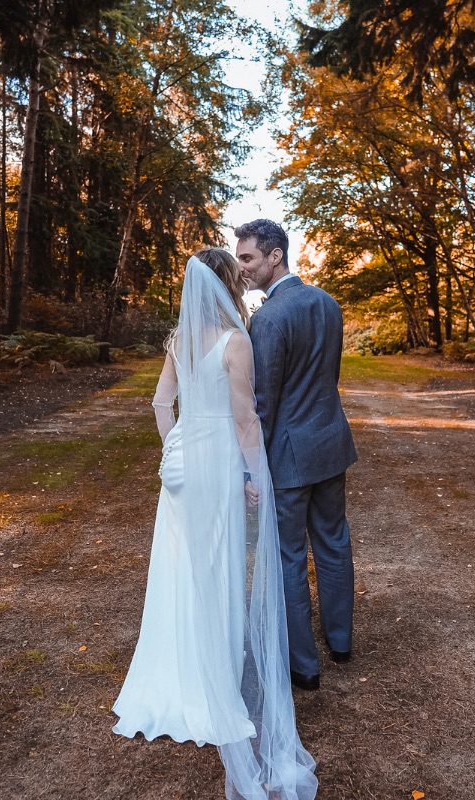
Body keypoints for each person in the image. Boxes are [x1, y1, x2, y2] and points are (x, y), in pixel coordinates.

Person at [112, 248, 317, 800]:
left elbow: (161, 404)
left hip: (180, 465)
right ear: (228, 284)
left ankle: (171, 673)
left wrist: (175, 444)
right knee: (221, 565)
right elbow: (246, 419)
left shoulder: (178, 340)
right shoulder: (234, 342)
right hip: (220, 463)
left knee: (178, 568)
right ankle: (215, 679)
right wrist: (255, 476)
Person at [235, 220, 358, 693]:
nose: (242, 268)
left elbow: (262, 404)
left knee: (288, 557)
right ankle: (341, 642)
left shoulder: (267, 319)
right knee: (333, 542)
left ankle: (304, 667)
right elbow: (329, 376)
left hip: (288, 458)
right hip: (330, 444)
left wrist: (252, 469)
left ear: (275, 256)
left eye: (248, 258)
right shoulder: (328, 303)